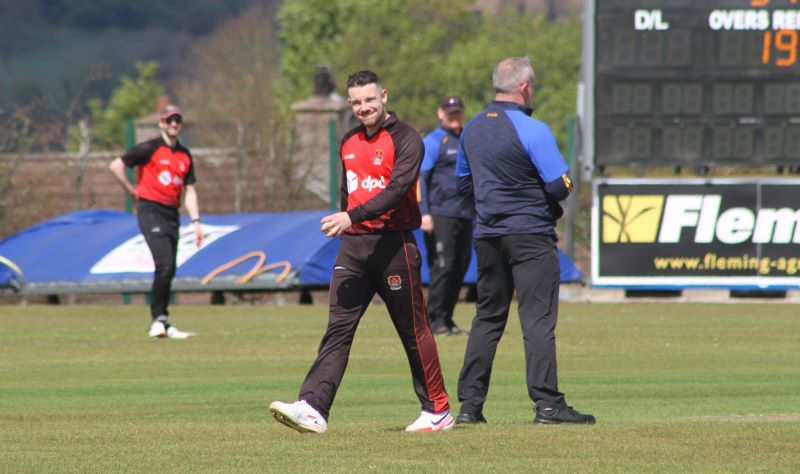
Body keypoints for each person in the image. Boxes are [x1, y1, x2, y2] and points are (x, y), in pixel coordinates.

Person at [269, 70, 454, 434]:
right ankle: (314, 407)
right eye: (356, 102)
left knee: (412, 330)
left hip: (393, 246)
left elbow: (397, 190)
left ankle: (438, 409)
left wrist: (350, 216)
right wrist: (347, 224)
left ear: (384, 96)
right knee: (337, 330)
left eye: (370, 99)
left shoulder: (407, 138)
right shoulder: (349, 140)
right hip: (354, 248)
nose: (364, 107)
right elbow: (348, 193)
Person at [454, 57, 595, 425]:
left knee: (488, 318)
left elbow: (464, 185)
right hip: (530, 235)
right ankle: (548, 406)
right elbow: (559, 186)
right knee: (537, 319)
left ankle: (469, 407)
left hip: (488, 235)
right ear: (524, 88)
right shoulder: (533, 129)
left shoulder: (471, 129)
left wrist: (494, 203)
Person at [108, 105, 204, 340]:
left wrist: (196, 222)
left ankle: (163, 320)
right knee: (164, 264)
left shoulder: (184, 155)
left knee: (169, 268)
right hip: (151, 210)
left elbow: (189, 190)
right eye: (169, 120)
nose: (174, 124)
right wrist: (131, 191)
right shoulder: (149, 148)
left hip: (172, 213)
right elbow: (116, 166)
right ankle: (158, 320)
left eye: (177, 120)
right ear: (161, 123)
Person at [419, 96, 474, 336]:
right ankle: (433, 321)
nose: (455, 117)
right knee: (443, 266)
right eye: (450, 113)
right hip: (441, 214)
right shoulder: (433, 141)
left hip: (465, 214)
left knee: (460, 266)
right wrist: (424, 213)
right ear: (441, 113)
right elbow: (421, 179)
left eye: (458, 112)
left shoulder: (467, 139)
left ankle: (447, 320)